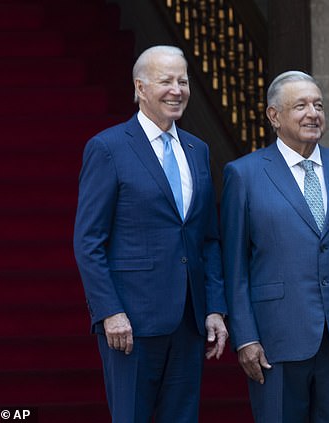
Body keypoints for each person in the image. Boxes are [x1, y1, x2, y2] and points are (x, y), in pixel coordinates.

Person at [73, 45, 228, 422]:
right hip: (131, 322)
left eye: (183, 81)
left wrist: (215, 308)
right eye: (166, 81)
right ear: (140, 88)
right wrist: (110, 311)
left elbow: (207, 237)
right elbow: (88, 241)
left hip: (189, 321)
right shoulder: (108, 148)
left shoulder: (197, 149)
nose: (177, 90)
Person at [220, 70, 329, 422]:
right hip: (275, 338)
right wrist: (245, 337)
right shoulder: (244, 175)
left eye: (318, 105)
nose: (313, 113)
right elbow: (234, 267)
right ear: (274, 116)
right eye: (301, 106)